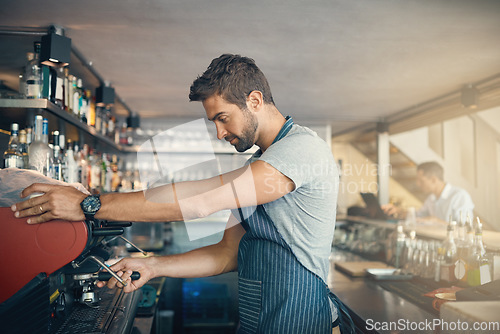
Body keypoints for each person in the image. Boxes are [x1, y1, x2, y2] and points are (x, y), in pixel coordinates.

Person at [12, 54, 350, 333]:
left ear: (255, 100)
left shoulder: (299, 151)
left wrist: (89, 206)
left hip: (302, 322)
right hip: (258, 322)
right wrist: (154, 266)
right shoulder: (261, 164)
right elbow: (226, 254)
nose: (219, 133)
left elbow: (200, 201)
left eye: (222, 118)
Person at [382, 161, 474, 223]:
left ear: (433, 180)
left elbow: (466, 229)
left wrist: (436, 221)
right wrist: (399, 210)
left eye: (421, 181)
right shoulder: (431, 198)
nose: (418, 184)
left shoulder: (460, 196)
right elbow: (418, 215)